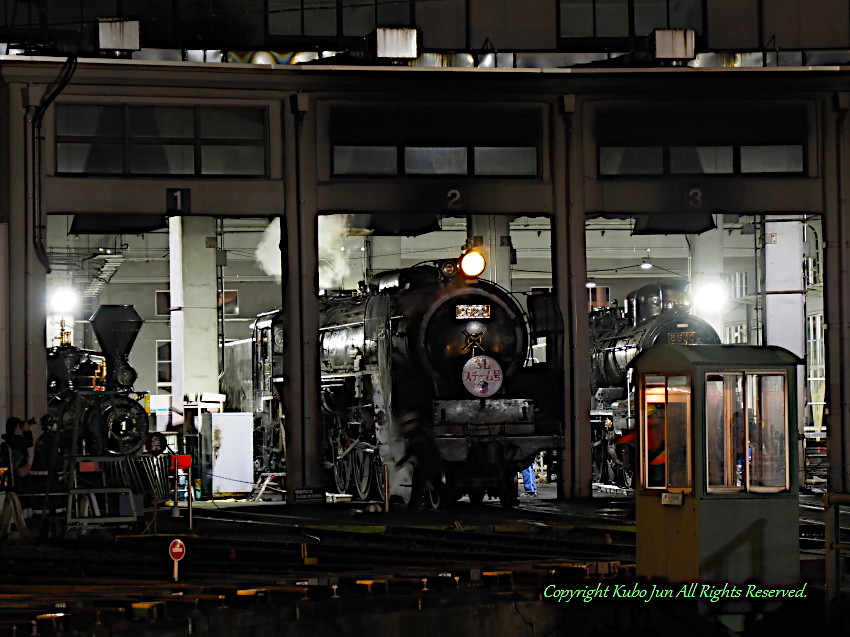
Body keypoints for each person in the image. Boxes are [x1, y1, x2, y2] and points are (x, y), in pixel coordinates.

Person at [395, 412, 443, 510]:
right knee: (436, 484)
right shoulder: (420, 432)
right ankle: (447, 503)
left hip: (426, 463)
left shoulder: (418, 434)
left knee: (418, 485)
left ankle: (413, 506)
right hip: (429, 462)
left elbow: (413, 450)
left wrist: (401, 462)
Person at [0, 417, 33, 490]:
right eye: (19, 426)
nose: (20, 428)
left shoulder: (9, 440)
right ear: (15, 427)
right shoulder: (14, 440)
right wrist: (26, 431)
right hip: (18, 477)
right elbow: (28, 442)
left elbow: (29, 443)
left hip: (13, 478)